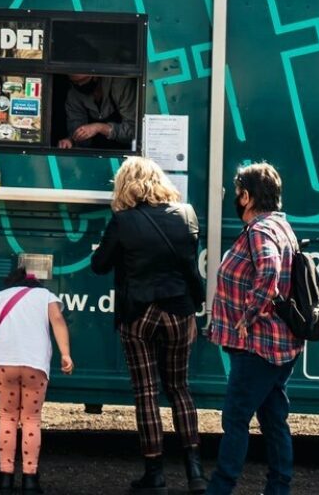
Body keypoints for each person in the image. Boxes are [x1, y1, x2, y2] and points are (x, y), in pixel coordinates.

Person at [89, 157, 206, 492]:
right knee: (180, 389)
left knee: (146, 394)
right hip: (178, 311)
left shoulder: (122, 221)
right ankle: (195, 472)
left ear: (125, 184)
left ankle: (155, 476)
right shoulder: (187, 215)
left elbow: (100, 265)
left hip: (138, 314)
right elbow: (187, 267)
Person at [204, 162, 302, 495]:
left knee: (235, 418)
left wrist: (248, 317)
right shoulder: (280, 226)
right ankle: (279, 487)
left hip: (259, 345)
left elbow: (269, 272)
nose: (236, 199)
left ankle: (221, 487)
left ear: (246, 196)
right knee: (273, 419)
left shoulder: (260, 230)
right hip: (279, 345)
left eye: (237, 193)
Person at [0, 262, 74, 492]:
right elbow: (58, 321)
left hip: (4, 362)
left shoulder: (0, 295)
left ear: (11, 282)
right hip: (35, 363)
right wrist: (66, 354)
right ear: (34, 283)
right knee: (31, 420)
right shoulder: (45, 295)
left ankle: (5, 479)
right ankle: (30, 480)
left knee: (7, 418)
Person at [58, 74, 140, 151]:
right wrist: (71, 141)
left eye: (83, 81)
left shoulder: (120, 86)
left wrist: (99, 128)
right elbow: (77, 130)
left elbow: (134, 132)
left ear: (95, 76)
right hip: (92, 156)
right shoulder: (74, 95)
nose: (79, 85)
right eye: (75, 82)